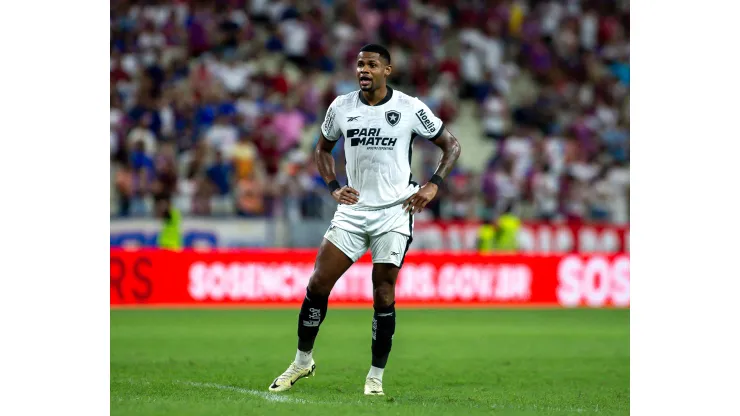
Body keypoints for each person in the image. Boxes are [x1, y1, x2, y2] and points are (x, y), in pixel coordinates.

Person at [269, 44, 462, 396]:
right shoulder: (341, 107)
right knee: (317, 284)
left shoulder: (409, 107)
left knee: (383, 294)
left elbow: (452, 145)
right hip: (353, 211)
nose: (364, 70)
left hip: (395, 212)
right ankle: (302, 361)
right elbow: (322, 149)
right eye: (360, 64)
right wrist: (332, 186)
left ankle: (375, 376)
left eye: (372, 64)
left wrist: (434, 185)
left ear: (387, 70)